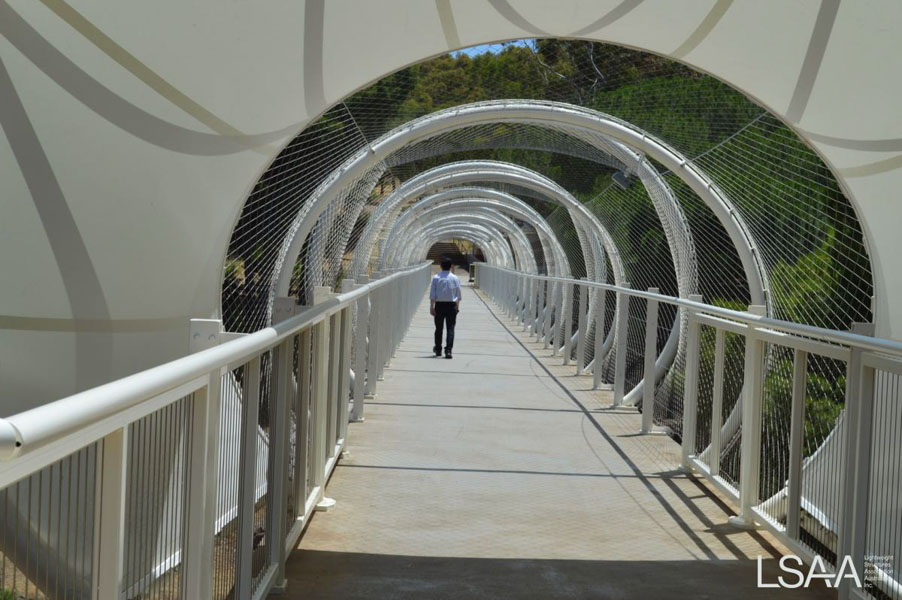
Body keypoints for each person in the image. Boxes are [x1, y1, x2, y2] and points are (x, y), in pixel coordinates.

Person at [430, 256, 462, 358]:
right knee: (450, 329)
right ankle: (448, 351)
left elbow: (433, 295)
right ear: (451, 266)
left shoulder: (436, 278)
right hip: (451, 305)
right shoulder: (455, 278)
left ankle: (438, 349)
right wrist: (457, 307)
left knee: (439, 328)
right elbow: (458, 295)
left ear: (440, 266)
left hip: (439, 305)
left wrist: (432, 306)